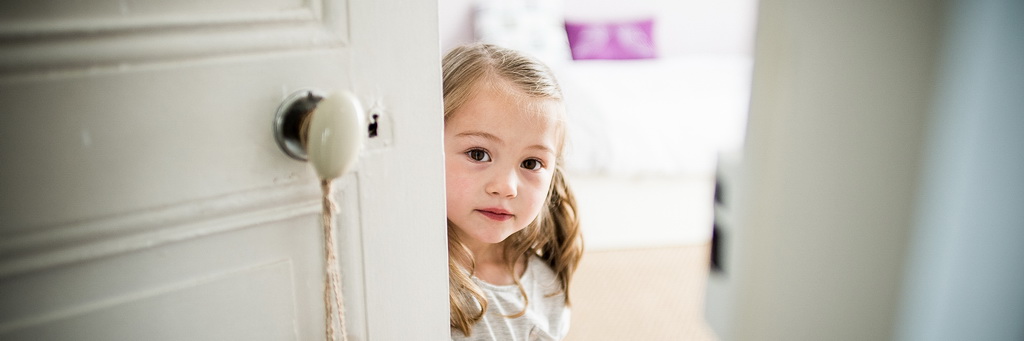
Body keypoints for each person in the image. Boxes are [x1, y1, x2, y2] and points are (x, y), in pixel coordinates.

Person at [443, 43, 584, 340]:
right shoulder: (417, 280)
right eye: (478, 154)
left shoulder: (546, 285)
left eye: (531, 163)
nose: (506, 187)